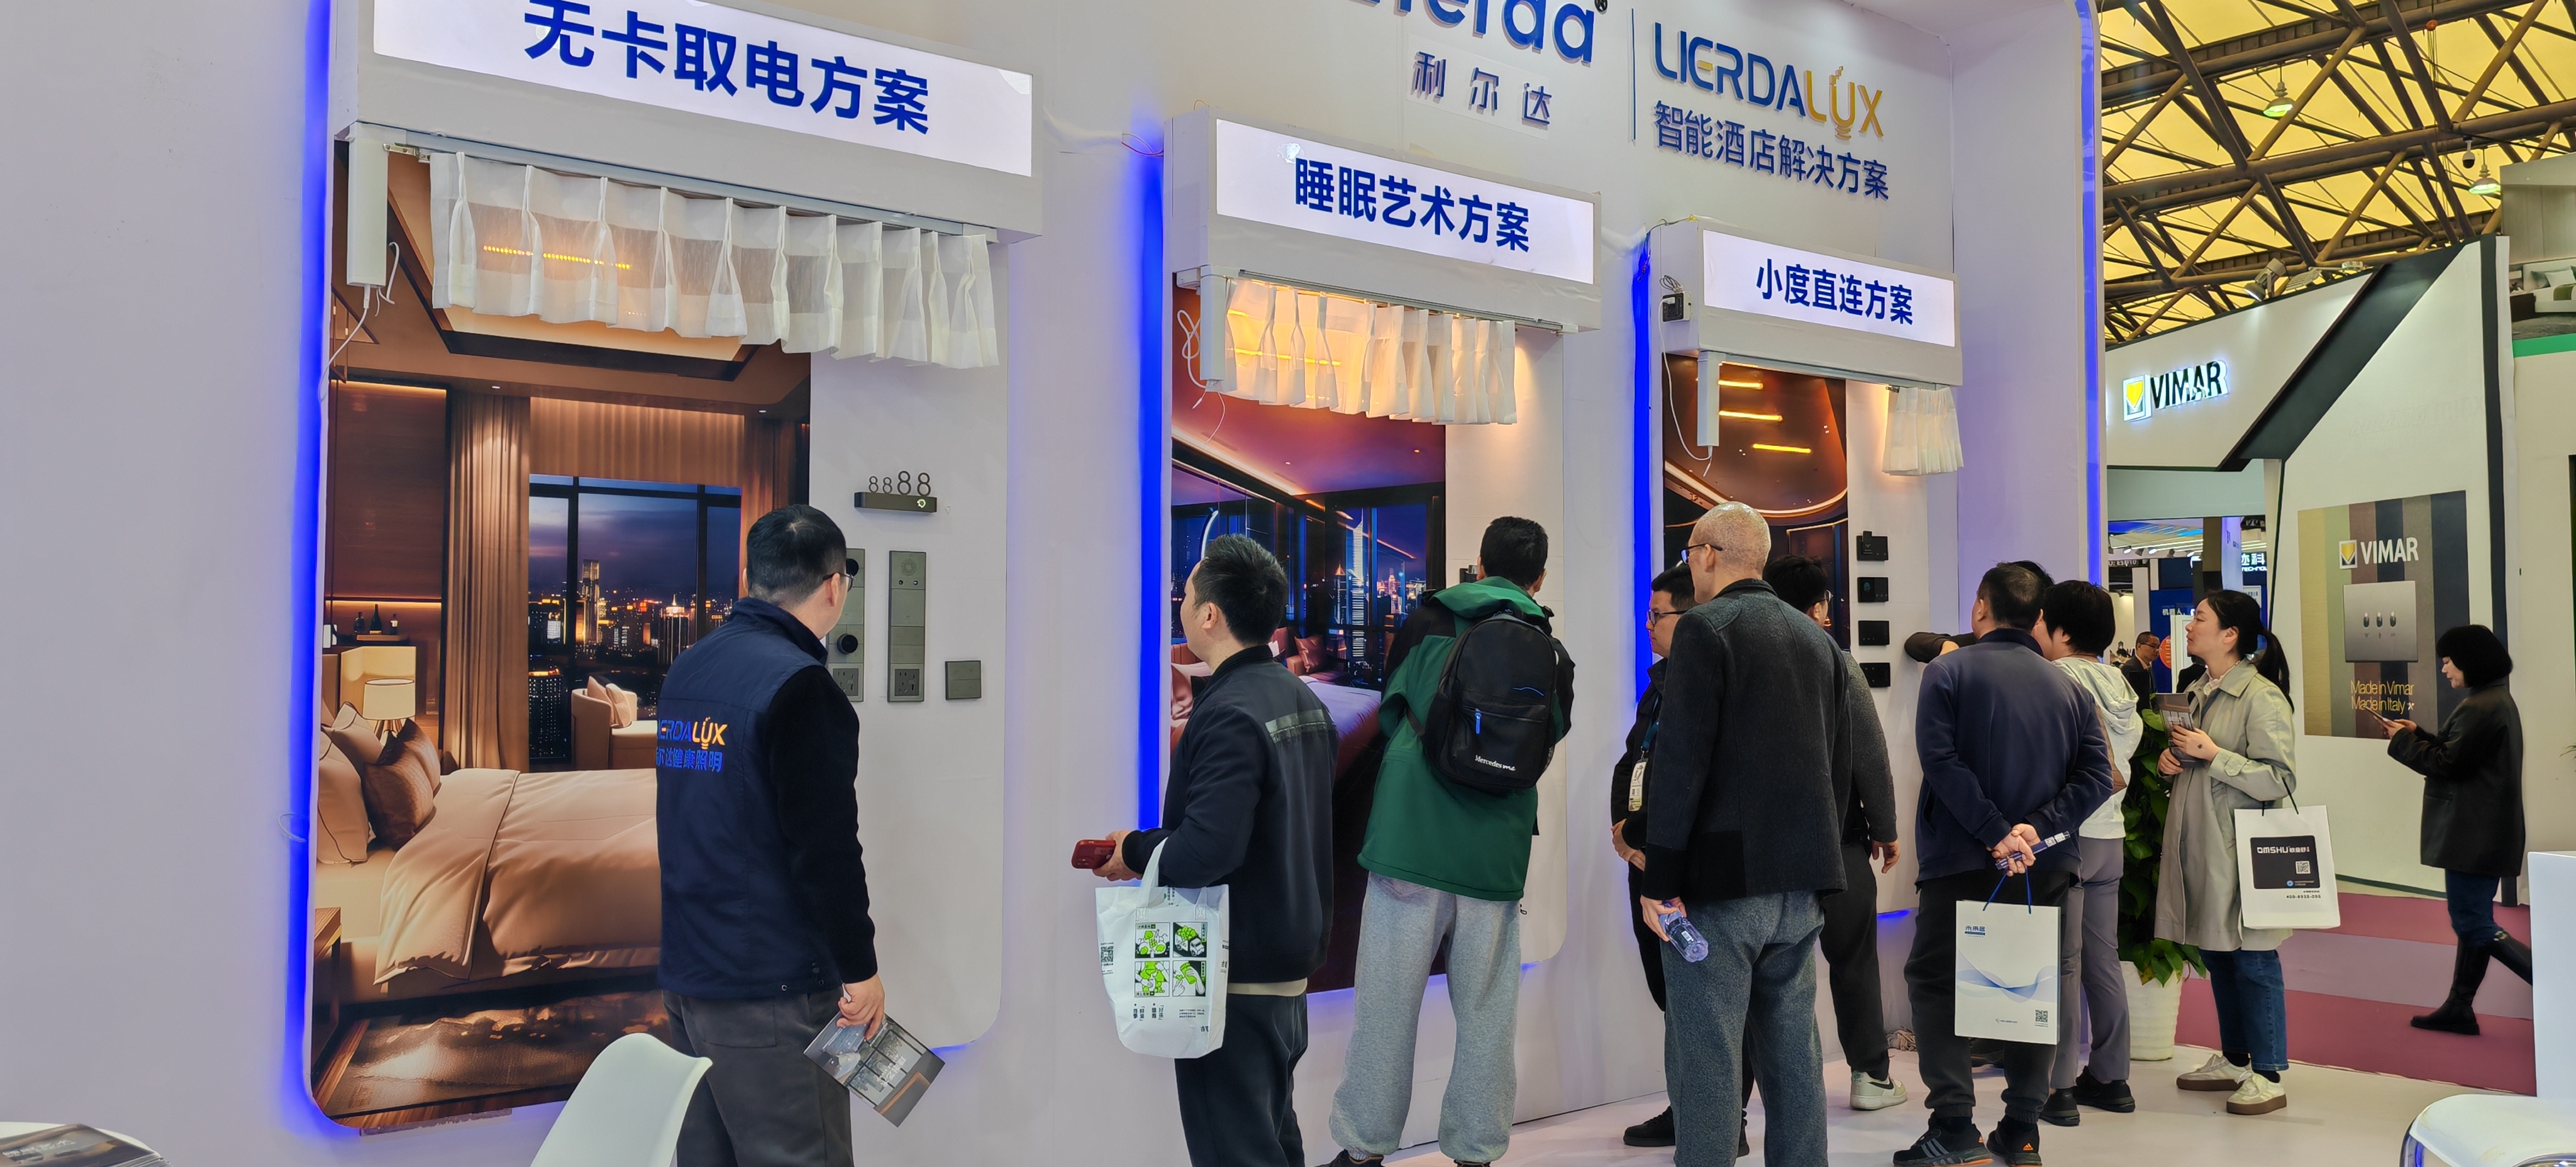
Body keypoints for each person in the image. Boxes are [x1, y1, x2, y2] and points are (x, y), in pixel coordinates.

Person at [1329, 517, 1575, 1167]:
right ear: (1538, 579)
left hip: (1411, 837)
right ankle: (1476, 1150)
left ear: (1479, 564)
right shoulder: (1549, 646)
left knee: (1386, 1004)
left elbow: (1391, 707)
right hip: (1494, 849)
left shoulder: (1428, 619)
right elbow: (1548, 737)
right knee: (1488, 1010)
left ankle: (1364, 1147)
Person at [1092, 534, 1337, 1167]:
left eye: (1186, 594)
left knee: (1237, 1149)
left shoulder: (1229, 711)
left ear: (1209, 614)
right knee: (1271, 1138)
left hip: (1235, 968)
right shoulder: (1301, 699)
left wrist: (1133, 850)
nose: (1179, 603)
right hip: (1284, 956)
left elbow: (1207, 849)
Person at [656, 504, 882, 1167]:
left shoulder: (690, 668)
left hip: (690, 979)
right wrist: (861, 969)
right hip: (772, 993)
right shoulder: (802, 687)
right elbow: (825, 850)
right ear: (835, 586)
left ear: (749, 578)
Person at [1635, 502, 1852, 1167]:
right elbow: (1838, 761)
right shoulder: (1816, 638)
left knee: (1706, 1057)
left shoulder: (1706, 628)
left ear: (1706, 554)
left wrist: (1659, 878)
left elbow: (1681, 762)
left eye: (1689, 555)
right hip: (1801, 882)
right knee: (1794, 1057)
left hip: (1722, 884)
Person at [1901, 562, 2112, 1167]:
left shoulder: (1947, 671)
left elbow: (1941, 762)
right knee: (2031, 988)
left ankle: (1953, 1127)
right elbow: (2099, 777)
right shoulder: (2070, 688)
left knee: (1937, 983)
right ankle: (2021, 1131)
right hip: (2046, 864)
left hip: (1960, 860)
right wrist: (2035, 831)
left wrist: (1996, 833)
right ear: (2039, 617)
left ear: (1980, 608)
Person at [1762, 554, 1907, 1113]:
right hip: (1839, 842)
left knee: (1767, 972)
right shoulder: (1837, 662)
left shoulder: (1746, 658)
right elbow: (1870, 753)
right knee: (1854, 962)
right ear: (1820, 606)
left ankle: (1763, 1095)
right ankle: (1870, 1076)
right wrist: (1885, 827)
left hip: (1767, 850)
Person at [2155, 589, 2297, 1117]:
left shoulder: (2261, 697)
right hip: (2203, 846)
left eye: (2200, 619)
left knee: (2254, 957)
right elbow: (2193, 761)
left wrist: (2215, 756)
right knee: (2218, 953)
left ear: (2230, 634)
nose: (2190, 627)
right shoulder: (2197, 689)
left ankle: (2269, 1072)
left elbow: (2280, 778)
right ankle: (2237, 1059)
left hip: (2242, 850)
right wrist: (2172, 763)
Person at [2031, 581, 2142, 1125]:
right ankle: (2112, 1077)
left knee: (2063, 962)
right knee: (2103, 958)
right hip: (2110, 835)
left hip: (2066, 835)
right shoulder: (2121, 684)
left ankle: (2058, 1087)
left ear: (2061, 631)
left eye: (2041, 620)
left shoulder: (2057, 681)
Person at [2387, 624, 2531, 1034]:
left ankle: (2556, 980)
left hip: (2473, 835)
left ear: (2470, 661)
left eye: (2449, 662)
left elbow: (2447, 764)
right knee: (2474, 921)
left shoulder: (2479, 707)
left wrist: (2403, 742)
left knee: (2473, 924)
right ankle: (2459, 1006)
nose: (2445, 669)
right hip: (2484, 833)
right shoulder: (2494, 701)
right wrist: (2418, 735)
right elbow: (2461, 754)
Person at [1608, 564, 1697, 1149]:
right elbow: (1633, 762)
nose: (1648, 625)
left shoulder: (1700, 686)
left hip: (1681, 863)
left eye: (1657, 615)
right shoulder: (1658, 685)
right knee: (1669, 993)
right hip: (1644, 858)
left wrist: (1638, 831)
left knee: (1702, 997)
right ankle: (1689, 1105)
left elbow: (1682, 778)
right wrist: (1623, 829)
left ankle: (1722, 1118)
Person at [2123, 633, 2160, 705]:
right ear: (2139, 646)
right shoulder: (2130, 668)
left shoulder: (2149, 668)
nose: (2157, 650)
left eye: (2158, 647)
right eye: (2153, 646)